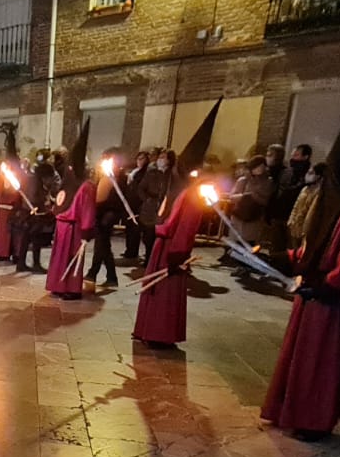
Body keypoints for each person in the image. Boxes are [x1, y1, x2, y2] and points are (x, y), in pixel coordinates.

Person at [263, 62, 340, 441]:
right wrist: (279, 257)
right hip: (311, 297)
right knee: (298, 360)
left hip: (330, 304)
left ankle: (313, 419)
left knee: (319, 363)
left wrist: (325, 287)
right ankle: (289, 410)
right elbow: (312, 249)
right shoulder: (329, 206)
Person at [133, 100, 219, 347]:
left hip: (171, 250)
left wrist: (175, 256)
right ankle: (148, 328)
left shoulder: (191, 195)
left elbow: (184, 229)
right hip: (163, 245)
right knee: (153, 288)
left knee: (165, 292)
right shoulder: (178, 190)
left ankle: (160, 333)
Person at [46, 124, 98, 299]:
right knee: (59, 258)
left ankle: (72, 288)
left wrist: (86, 230)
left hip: (74, 228)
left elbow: (88, 210)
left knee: (71, 257)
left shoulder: (86, 186)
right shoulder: (68, 182)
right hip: (62, 226)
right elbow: (62, 198)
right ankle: (58, 285)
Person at [85, 148, 129, 287]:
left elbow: (100, 198)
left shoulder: (114, 178)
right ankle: (110, 276)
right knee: (103, 245)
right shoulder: (113, 176)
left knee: (101, 245)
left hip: (106, 216)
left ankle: (94, 273)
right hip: (106, 214)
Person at [11, 160, 58, 272]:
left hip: (31, 213)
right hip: (31, 214)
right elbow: (32, 198)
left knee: (27, 238)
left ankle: (22, 263)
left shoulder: (34, 180)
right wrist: (43, 204)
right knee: (34, 239)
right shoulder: (33, 182)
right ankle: (32, 264)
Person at [286, 162, 327, 253]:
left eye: (311, 173)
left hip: (304, 233)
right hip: (294, 228)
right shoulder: (305, 189)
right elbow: (296, 206)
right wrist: (291, 220)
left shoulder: (319, 194)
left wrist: (304, 232)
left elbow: (310, 215)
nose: (307, 175)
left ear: (319, 176)